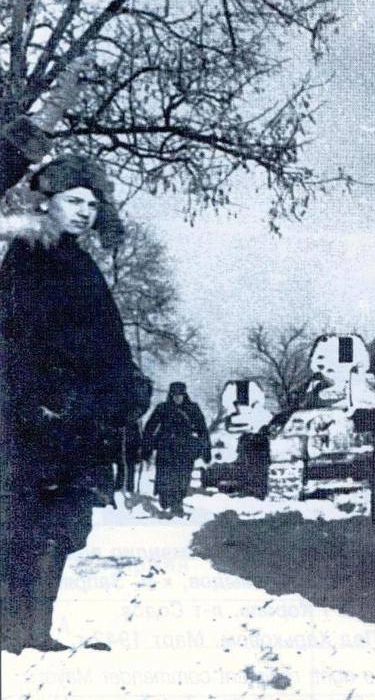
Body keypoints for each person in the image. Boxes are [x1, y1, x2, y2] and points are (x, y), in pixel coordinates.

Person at [1, 154, 147, 654]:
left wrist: (126, 384)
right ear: (47, 202)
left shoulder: (77, 260)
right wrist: (42, 399)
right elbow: (18, 335)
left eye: (92, 203)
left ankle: (32, 632)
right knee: (30, 523)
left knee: (63, 524)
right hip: (39, 418)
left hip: (77, 416)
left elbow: (103, 338)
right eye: (74, 200)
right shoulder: (29, 256)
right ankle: (15, 634)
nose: (85, 211)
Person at [142, 382, 211, 517]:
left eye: (180, 395)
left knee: (182, 479)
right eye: (175, 395)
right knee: (164, 478)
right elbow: (150, 428)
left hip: (185, 450)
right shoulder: (163, 408)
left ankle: (177, 504)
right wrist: (146, 447)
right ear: (170, 395)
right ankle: (166, 501)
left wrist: (206, 449)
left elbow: (202, 429)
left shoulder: (192, 409)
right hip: (166, 450)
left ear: (184, 395)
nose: (177, 397)